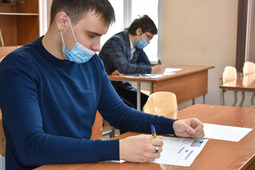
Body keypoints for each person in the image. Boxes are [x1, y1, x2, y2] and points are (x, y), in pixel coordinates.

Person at [0, 0, 204, 169]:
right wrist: (118, 149)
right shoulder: (18, 67)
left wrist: (171, 125)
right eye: (91, 35)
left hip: (80, 164)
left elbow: (119, 114)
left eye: (100, 36)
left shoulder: (90, 62)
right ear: (62, 21)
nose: (97, 47)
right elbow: (31, 147)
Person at [99, 15, 166, 109]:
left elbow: (145, 64)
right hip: (108, 87)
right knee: (131, 108)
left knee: (148, 102)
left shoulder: (137, 47)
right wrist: (152, 70)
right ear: (139, 31)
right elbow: (124, 67)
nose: (149, 42)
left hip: (122, 86)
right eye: (148, 37)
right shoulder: (115, 42)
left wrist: (125, 68)